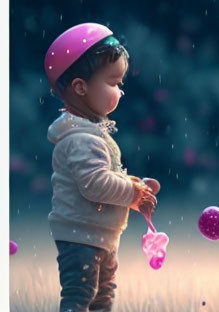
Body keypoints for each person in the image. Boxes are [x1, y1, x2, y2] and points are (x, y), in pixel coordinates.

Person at [45, 23, 160, 312]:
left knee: (102, 296)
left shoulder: (90, 133)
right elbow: (95, 185)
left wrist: (133, 185)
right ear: (81, 88)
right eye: (113, 83)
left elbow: (104, 177)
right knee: (81, 295)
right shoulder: (81, 139)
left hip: (97, 234)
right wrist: (132, 194)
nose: (120, 92)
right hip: (81, 236)